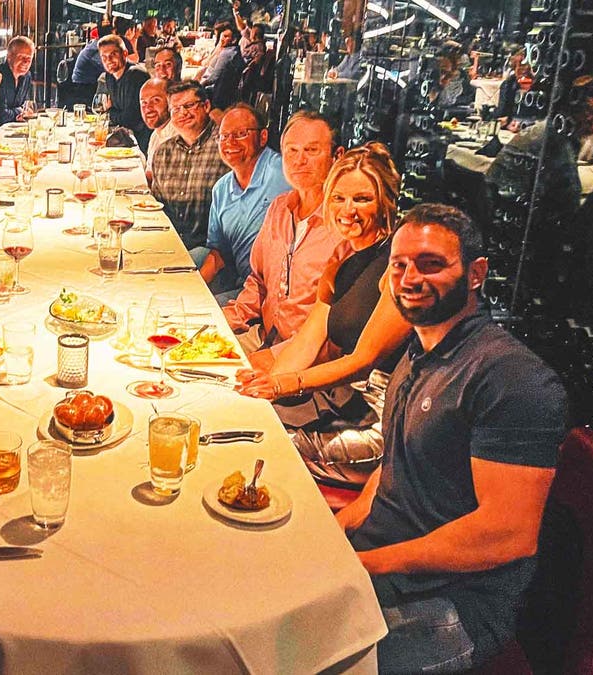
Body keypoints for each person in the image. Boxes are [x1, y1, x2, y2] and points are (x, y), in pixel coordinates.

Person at [337, 203, 565, 672]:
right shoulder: (420, 349)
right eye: (399, 265)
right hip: (386, 564)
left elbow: (508, 535)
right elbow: (396, 464)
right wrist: (339, 529)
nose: (409, 278)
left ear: (476, 273)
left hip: (453, 606)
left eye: (431, 264)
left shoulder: (510, 378)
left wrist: (367, 564)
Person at [237, 143, 411, 481]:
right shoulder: (341, 260)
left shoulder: (397, 265)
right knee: (244, 414)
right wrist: (268, 386)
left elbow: (363, 361)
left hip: (379, 417)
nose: (348, 210)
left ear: (387, 201)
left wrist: (283, 386)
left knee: (256, 441)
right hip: (338, 396)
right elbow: (308, 342)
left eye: (362, 199)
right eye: (338, 198)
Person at [223, 110, 343, 370]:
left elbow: (338, 332)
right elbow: (258, 282)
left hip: (308, 360)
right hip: (263, 338)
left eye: (311, 150)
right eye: (291, 151)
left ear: (337, 156)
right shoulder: (279, 208)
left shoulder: (344, 224)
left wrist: (271, 358)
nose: (299, 160)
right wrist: (224, 320)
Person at [201, 104, 290, 302]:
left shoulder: (285, 173)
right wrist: (195, 287)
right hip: (246, 285)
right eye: (223, 136)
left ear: (263, 137)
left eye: (241, 134)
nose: (230, 142)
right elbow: (219, 252)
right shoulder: (221, 188)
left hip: (276, 292)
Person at [486, 75, 593, 222]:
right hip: (509, 220)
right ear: (570, 111)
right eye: (589, 111)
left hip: (497, 211)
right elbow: (569, 206)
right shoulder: (557, 142)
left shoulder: (549, 129)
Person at [150, 80, 228, 252]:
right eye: (176, 109)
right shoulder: (163, 153)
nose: (183, 113)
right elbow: (156, 207)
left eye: (189, 106)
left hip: (209, 251)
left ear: (206, 106)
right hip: (166, 245)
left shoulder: (225, 146)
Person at [95, 34, 152, 151]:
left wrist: (110, 111)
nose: (108, 60)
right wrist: (114, 112)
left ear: (125, 54)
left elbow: (129, 119)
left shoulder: (136, 75)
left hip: (140, 142)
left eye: (113, 55)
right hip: (124, 137)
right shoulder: (109, 76)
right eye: (104, 57)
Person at [0, 36, 36, 131]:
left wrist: (22, 111)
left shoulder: (27, 76)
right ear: (9, 56)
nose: (26, 62)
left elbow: (25, 106)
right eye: (21, 57)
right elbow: (1, 115)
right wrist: (19, 111)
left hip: (15, 128)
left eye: (29, 58)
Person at [140, 77, 177, 182]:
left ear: (171, 103)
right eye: (144, 103)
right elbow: (150, 175)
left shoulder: (178, 135)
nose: (148, 108)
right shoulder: (155, 135)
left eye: (156, 100)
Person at [72, 24, 113, 106]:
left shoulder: (100, 45)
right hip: (82, 87)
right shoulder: (95, 49)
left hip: (90, 83)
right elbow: (108, 68)